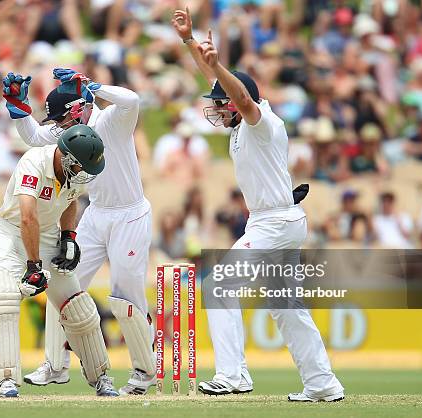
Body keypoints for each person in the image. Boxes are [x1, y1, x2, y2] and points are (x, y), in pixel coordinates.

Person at [172, 6, 344, 401]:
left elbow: (242, 96)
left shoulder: (261, 122)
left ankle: (233, 376)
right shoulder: (239, 120)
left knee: (218, 285)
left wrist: (221, 69)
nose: (216, 109)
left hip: (274, 223)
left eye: (221, 103)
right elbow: (221, 84)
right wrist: (189, 42)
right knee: (287, 307)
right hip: (275, 221)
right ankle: (322, 384)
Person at [3, 67, 156, 395]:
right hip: (94, 214)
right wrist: (18, 108)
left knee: (125, 299)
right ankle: (55, 366)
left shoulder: (110, 121)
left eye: (62, 121)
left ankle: (144, 372)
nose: (58, 129)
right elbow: (31, 137)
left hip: (130, 215)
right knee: (62, 282)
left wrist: (92, 86)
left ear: (77, 111)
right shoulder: (67, 132)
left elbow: (131, 100)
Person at [0, 124, 118, 397]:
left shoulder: (73, 172)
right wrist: (34, 266)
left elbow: (70, 201)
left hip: (47, 235)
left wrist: (68, 236)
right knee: (0, 294)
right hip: (11, 232)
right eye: (80, 168)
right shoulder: (33, 163)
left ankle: (101, 377)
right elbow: (27, 217)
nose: (83, 176)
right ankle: (6, 379)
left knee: (79, 309)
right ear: (67, 158)